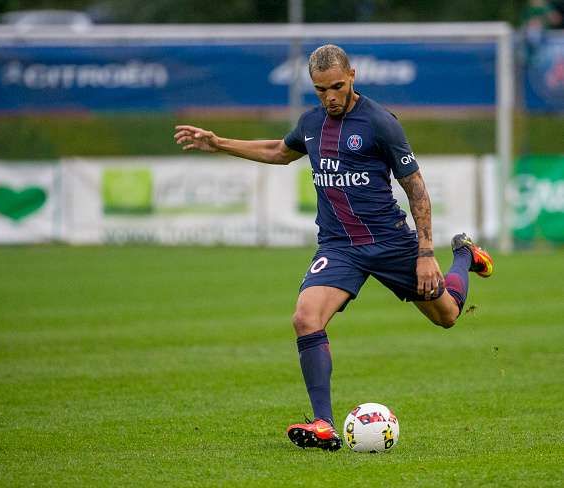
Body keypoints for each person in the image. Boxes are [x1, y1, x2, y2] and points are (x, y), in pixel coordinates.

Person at [174, 44, 493, 452]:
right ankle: (323, 423)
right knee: (306, 318)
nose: (330, 97)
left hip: (390, 242)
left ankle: (464, 253)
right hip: (339, 246)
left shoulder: (381, 123)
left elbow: (416, 189)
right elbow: (278, 151)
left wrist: (426, 253)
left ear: (353, 77)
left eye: (337, 87)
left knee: (447, 315)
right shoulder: (311, 124)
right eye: (321, 89)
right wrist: (218, 142)